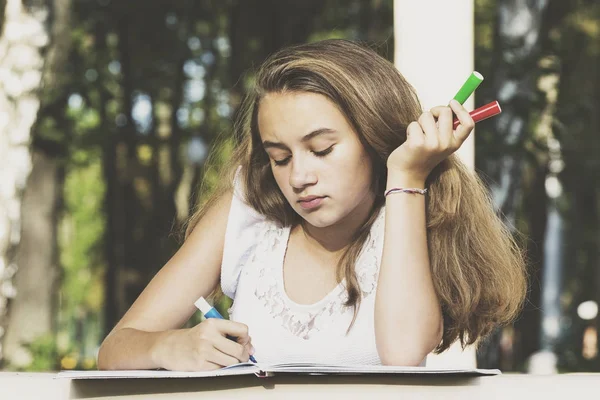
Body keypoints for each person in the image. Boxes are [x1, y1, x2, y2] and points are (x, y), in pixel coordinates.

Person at [97, 39, 527, 371]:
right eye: (279, 157)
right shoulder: (249, 209)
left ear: (376, 139)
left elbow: (402, 354)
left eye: (321, 149)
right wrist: (172, 346)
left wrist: (408, 178)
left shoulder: (408, 216)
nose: (299, 177)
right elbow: (115, 349)